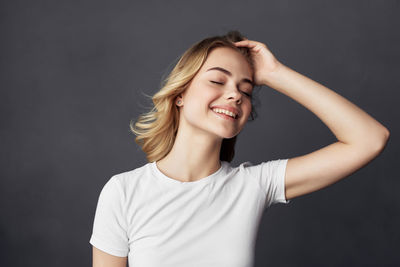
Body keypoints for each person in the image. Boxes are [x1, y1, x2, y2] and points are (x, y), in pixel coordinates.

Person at [89, 31, 390, 267]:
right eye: (218, 80)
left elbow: (369, 138)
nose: (234, 94)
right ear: (180, 94)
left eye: (245, 90)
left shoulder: (254, 185)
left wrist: (275, 74)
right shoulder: (123, 191)